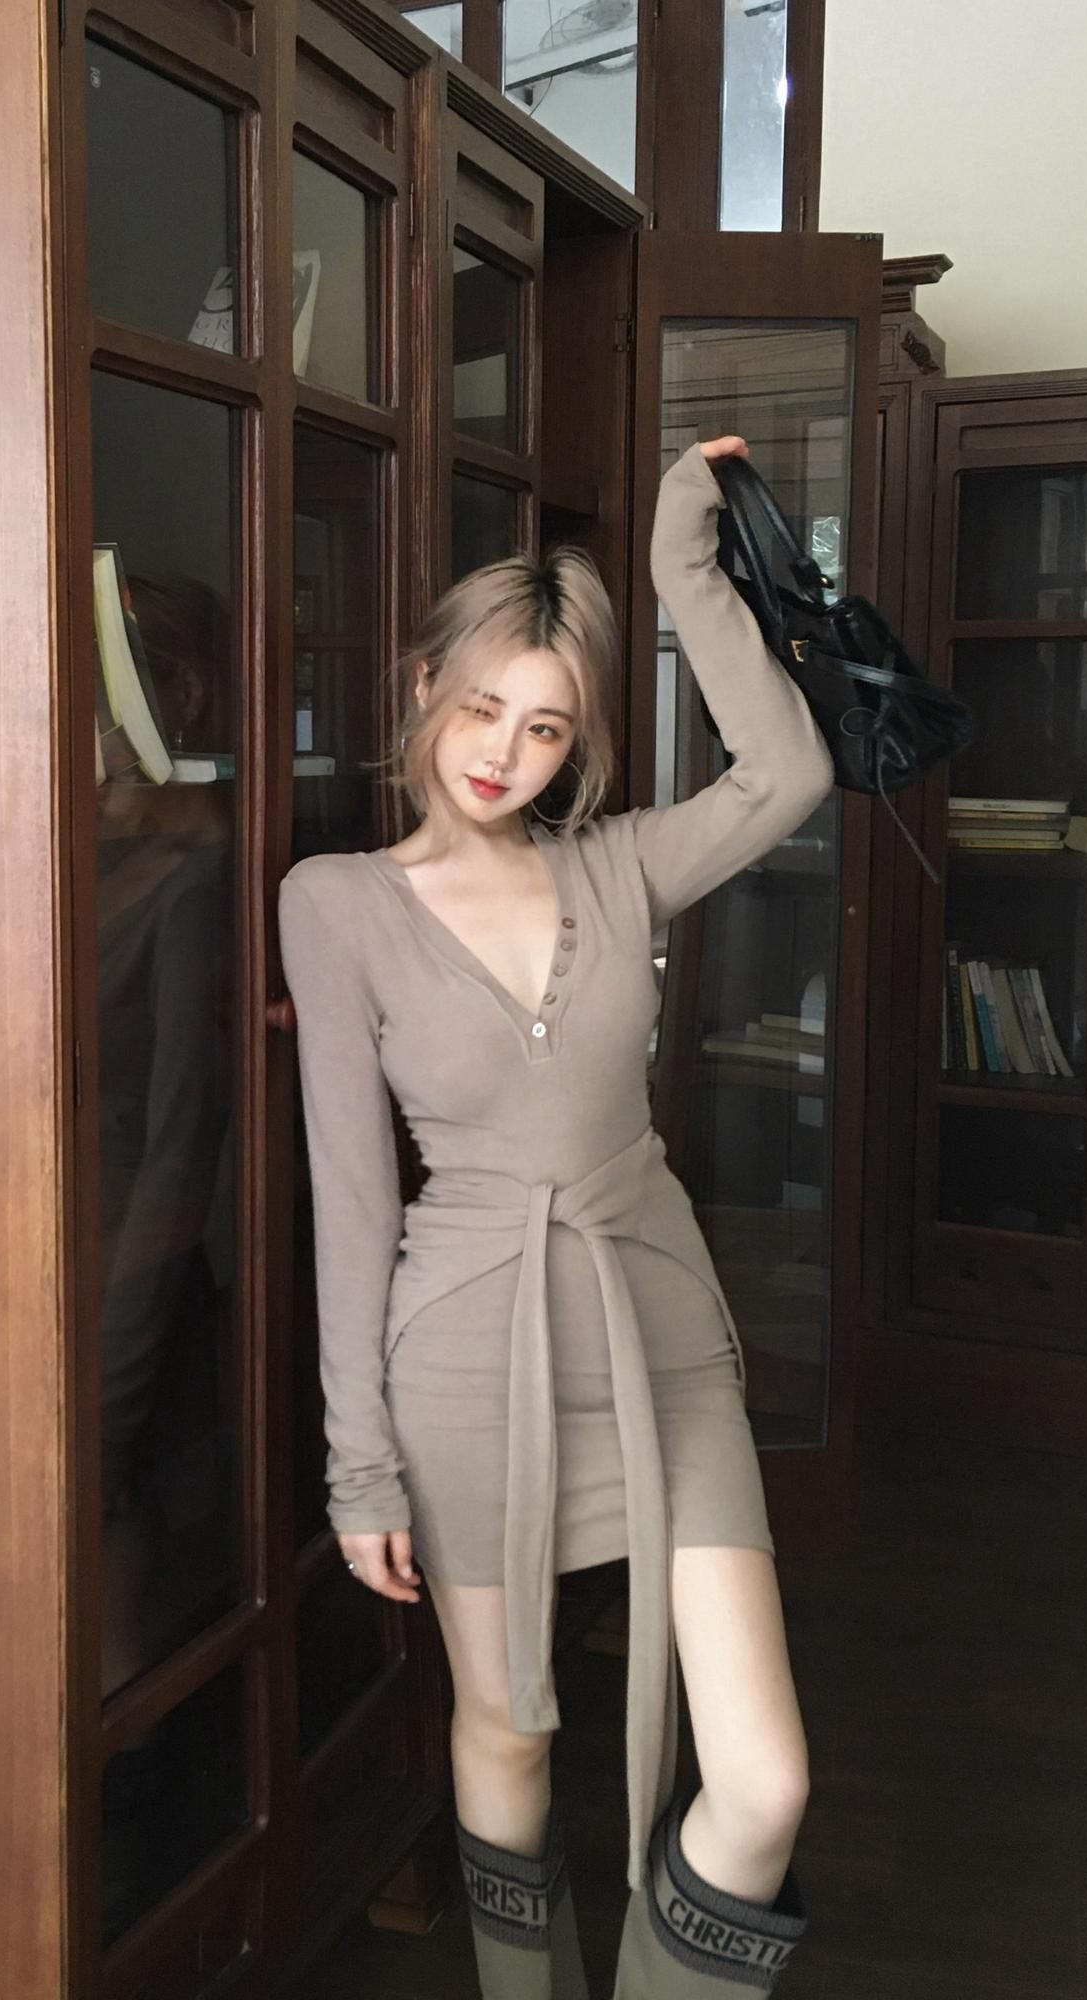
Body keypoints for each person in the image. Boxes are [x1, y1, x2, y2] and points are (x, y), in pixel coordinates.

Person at [277, 437, 835, 1998]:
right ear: (423, 688)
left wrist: (678, 570)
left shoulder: (616, 869)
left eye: (544, 727)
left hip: (661, 1337)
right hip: (466, 1357)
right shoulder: (337, 903)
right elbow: (351, 1199)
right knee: (510, 1728)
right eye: (480, 710)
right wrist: (356, 1463)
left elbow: (789, 775)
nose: (501, 755)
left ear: (576, 742)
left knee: (764, 1783)